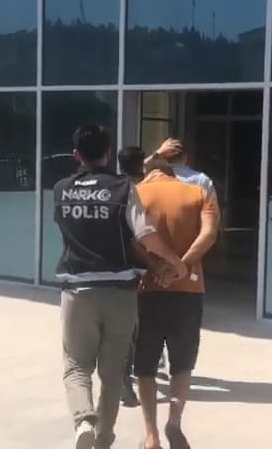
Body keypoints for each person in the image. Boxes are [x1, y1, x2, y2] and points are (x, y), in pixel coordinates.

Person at [53, 125, 187, 449]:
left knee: (76, 366)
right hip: (121, 293)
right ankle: (103, 438)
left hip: (78, 292)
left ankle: (84, 421)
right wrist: (172, 261)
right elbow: (143, 234)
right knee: (112, 372)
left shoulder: (61, 189)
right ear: (108, 152)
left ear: (76, 155)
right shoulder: (123, 187)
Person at [133, 160, 220, 449]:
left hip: (147, 289)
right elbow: (209, 234)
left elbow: (132, 239)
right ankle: (174, 421)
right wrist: (181, 266)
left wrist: (157, 266)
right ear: (175, 175)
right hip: (189, 289)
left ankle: (151, 435)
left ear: (150, 174)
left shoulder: (136, 193)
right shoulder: (198, 193)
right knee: (182, 364)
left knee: (145, 366)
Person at [115, 145, 147, 408]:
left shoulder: (115, 189)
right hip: (143, 267)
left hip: (121, 267)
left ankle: (126, 377)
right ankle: (129, 377)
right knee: (137, 327)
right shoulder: (143, 189)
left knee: (128, 329)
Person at [145, 138, 215, 195]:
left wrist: (158, 152)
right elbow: (211, 206)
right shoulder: (202, 180)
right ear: (185, 157)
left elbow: (142, 167)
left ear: (162, 157)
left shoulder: (153, 177)